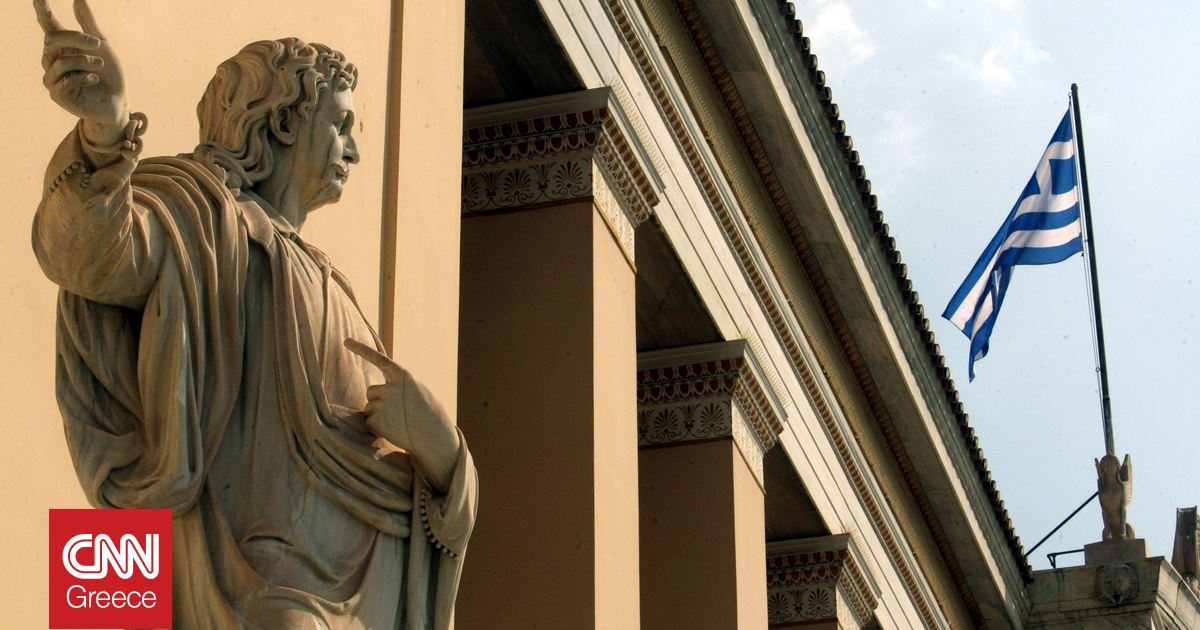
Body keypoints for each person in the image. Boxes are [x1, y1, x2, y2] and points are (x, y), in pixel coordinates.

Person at [33, 1, 477, 627]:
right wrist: (104, 135)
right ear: (286, 121)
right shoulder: (205, 221)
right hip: (254, 596)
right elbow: (88, 256)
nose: (354, 150)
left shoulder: (336, 288)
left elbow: (406, 504)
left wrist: (445, 455)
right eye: (341, 124)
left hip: (358, 607)